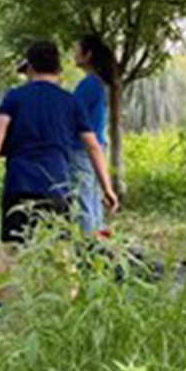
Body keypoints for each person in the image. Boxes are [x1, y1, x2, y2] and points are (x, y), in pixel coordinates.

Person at [0, 40, 118, 244]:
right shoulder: (71, 101)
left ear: (30, 67)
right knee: (58, 252)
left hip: (19, 186)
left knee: (14, 249)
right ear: (58, 69)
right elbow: (94, 147)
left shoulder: (14, 97)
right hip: (58, 188)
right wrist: (107, 188)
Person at [71, 34, 116, 234]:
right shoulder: (98, 83)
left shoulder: (88, 84)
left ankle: (88, 243)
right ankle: (96, 240)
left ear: (87, 55)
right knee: (93, 197)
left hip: (82, 149)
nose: (74, 54)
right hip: (96, 147)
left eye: (77, 50)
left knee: (84, 200)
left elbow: (71, 114)